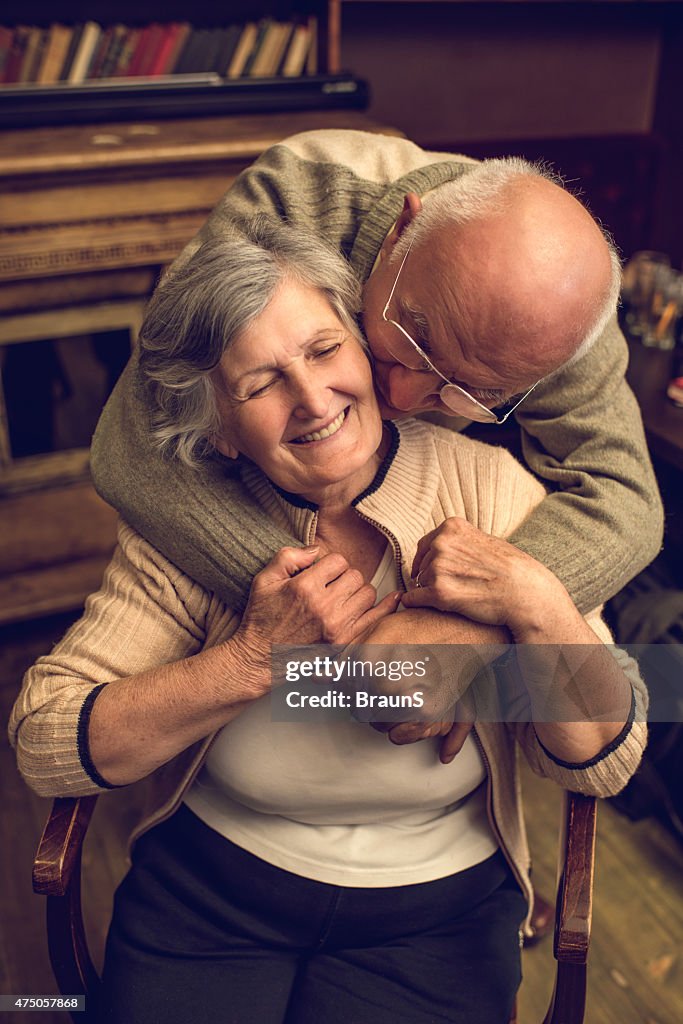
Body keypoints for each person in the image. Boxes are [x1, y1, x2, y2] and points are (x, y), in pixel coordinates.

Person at [10, 220, 647, 1024]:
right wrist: (251, 660)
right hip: (211, 888)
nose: (312, 400)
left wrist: (534, 601)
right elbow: (44, 739)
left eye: (323, 350)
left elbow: (607, 760)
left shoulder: (490, 488)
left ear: (366, 348)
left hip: (437, 908)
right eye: (258, 384)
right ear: (219, 429)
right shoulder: (184, 520)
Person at [90, 132, 662, 629]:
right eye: (415, 338)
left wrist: (472, 635)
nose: (403, 398)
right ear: (401, 232)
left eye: (475, 392)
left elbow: (626, 500)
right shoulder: (292, 197)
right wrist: (335, 616)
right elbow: (133, 448)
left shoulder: (566, 318)